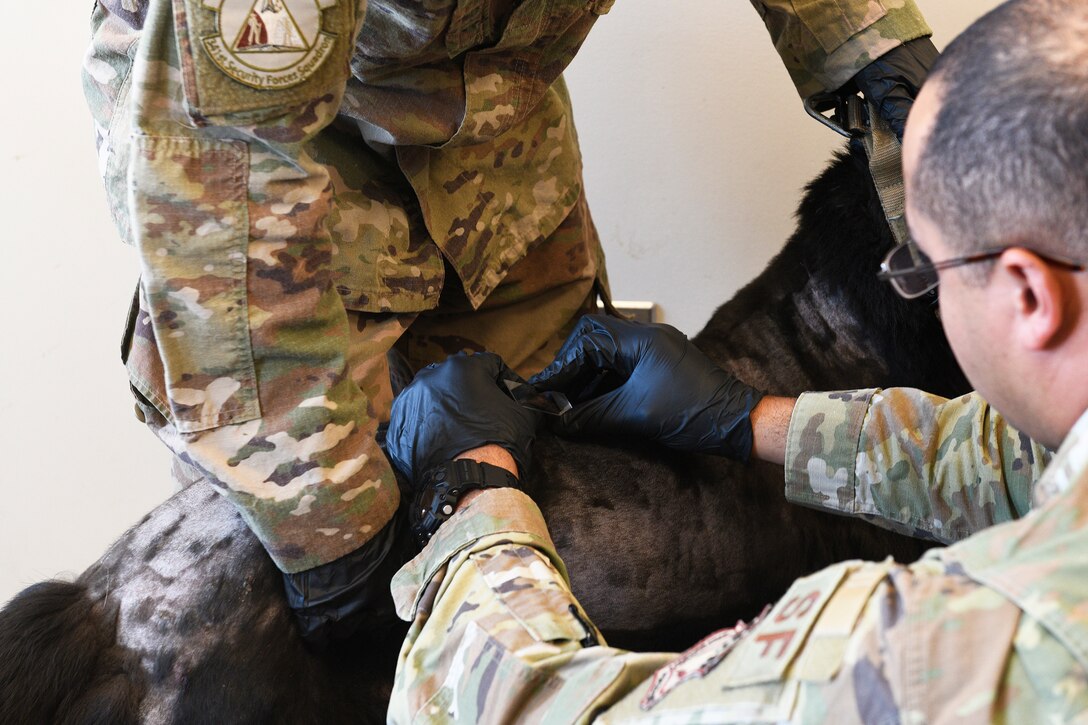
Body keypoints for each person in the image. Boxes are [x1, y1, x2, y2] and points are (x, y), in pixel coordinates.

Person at [81, 0, 936, 646]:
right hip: (282, 241)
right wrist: (336, 554)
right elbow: (223, 207)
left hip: (504, 190)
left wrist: (905, 92)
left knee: (578, 549)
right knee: (313, 621)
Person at [382, 0, 1088, 719]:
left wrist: (473, 494)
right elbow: (1018, 463)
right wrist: (750, 419)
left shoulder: (951, 646)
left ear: (1030, 294)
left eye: (927, 266)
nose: (921, 280)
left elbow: (544, 709)